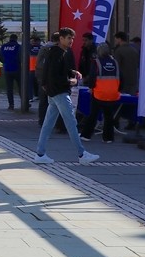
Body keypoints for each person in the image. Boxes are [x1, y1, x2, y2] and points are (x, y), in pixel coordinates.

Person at [33, 28, 100, 165]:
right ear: (61, 39)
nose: (71, 41)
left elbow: (53, 71)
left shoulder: (56, 52)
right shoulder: (58, 54)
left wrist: (72, 71)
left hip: (53, 92)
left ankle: (40, 154)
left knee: (48, 124)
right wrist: (71, 82)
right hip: (60, 92)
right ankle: (82, 154)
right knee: (71, 123)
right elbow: (54, 75)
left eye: (72, 38)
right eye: (69, 38)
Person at [80, 43, 120, 144]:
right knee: (109, 117)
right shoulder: (115, 62)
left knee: (93, 115)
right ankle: (108, 138)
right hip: (112, 94)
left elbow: (93, 76)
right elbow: (121, 77)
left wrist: (90, 87)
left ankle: (86, 135)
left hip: (99, 93)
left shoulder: (96, 63)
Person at [110, 32, 139, 132]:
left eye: (116, 39)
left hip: (122, 81)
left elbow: (116, 67)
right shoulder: (134, 50)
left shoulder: (119, 50)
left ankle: (115, 122)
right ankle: (132, 121)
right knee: (131, 102)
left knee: (118, 102)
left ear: (119, 39)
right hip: (133, 79)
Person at [1, 34, 21, 110]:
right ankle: (24, 102)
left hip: (7, 69)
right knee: (21, 86)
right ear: (16, 38)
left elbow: (1, 58)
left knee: (9, 88)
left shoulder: (4, 46)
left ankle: (11, 105)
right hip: (17, 69)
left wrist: (6, 62)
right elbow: (21, 57)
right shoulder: (18, 46)